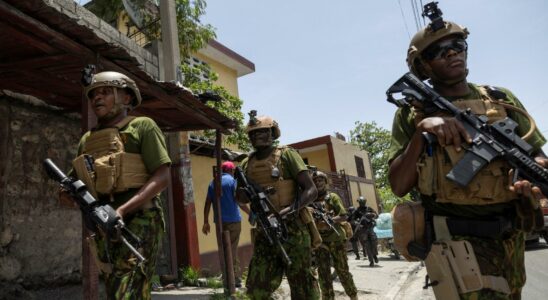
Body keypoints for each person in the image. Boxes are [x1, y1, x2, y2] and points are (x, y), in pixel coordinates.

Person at [388, 4, 547, 299]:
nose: (451, 53)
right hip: (454, 243)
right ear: (422, 66)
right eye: (438, 51)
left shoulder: (500, 99)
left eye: (457, 45)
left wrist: (533, 174)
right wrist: (423, 130)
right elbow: (398, 185)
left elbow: (537, 154)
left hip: (510, 238)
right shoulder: (412, 113)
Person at [61, 71, 171, 299]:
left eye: (105, 92)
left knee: (127, 290)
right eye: (93, 95)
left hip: (140, 219)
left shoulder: (142, 126)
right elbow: (76, 180)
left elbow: (162, 176)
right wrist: (67, 194)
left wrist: (122, 210)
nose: (97, 98)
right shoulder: (88, 139)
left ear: (127, 98)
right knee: (116, 289)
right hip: (105, 224)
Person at [238, 112, 320, 299]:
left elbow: (311, 190)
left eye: (262, 131)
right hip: (265, 231)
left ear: (273, 133)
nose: (257, 136)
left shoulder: (287, 155)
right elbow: (241, 198)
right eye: (253, 133)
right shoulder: (246, 163)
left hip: (293, 228)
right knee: (257, 287)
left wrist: (288, 211)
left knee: (303, 286)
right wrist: (246, 189)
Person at [311, 171, 358, 300]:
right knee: (323, 274)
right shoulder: (310, 200)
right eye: (315, 181)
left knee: (343, 271)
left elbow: (343, 215)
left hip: (336, 240)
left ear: (326, 182)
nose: (318, 183)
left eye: (320, 180)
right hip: (320, 243)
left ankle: (353, 296)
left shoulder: (332, 197)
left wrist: (330, 220)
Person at [202, 161, 250, 287]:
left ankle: (226, 277)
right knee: (232, 249)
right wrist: (250, 213)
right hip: (234, 221)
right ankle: (233, 278)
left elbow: (208, 203)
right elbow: (240, 201)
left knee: (223, 249)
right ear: (231, 170)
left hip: (220, 223)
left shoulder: (213, 183)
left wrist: (205, 221)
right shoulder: (233, 182)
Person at [349, 196, 379, 267]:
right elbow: (352, 220)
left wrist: (372, 215)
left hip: (370, 227)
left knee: (374, 242)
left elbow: (376, 215)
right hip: (363, 230)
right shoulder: (357, 210)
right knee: (367, 245)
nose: (361, 203)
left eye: (362, 202)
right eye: (360, 202)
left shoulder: (369, 208)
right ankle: (371, 261)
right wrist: (357, 223)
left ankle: (374, 255)